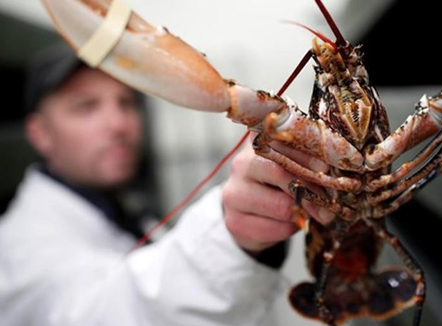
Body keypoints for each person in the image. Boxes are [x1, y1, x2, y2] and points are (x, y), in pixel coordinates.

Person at [0, 44, 333, 326]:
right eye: (86, 106)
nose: (119, 124)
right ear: (40, 133)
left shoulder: (117, 207)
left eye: (126, 102)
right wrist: (231, 232)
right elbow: (104, 313)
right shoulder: (20, 246)